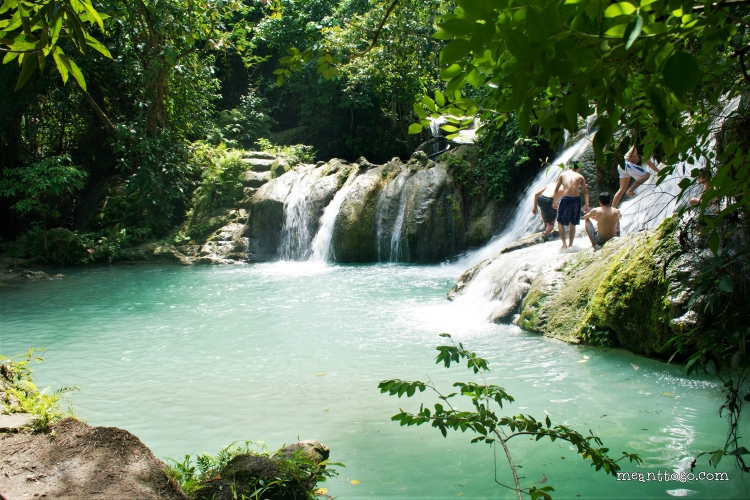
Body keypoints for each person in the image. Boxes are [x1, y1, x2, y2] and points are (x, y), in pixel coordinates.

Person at [552, 163, 589, 249]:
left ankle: (564, 244)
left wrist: (554, 201)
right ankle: (570, 245)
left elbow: (556, 189)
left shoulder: (562, 175)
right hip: (576, 199)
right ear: (577, 168)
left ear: (569, 167)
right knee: (573, 223)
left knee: (560, 222)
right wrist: (587, 204)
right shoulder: (580, 176)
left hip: (566, 199)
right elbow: (586, 192)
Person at [612, 143, 660, 208]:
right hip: (627, 165)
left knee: (621, 190)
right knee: (646, 175)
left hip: (621, 166)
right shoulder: (640, 146)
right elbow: (648, 162)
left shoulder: (639, 144)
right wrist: (659, 172)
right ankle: (630, 191)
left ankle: (612, 209)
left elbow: (654, 156)